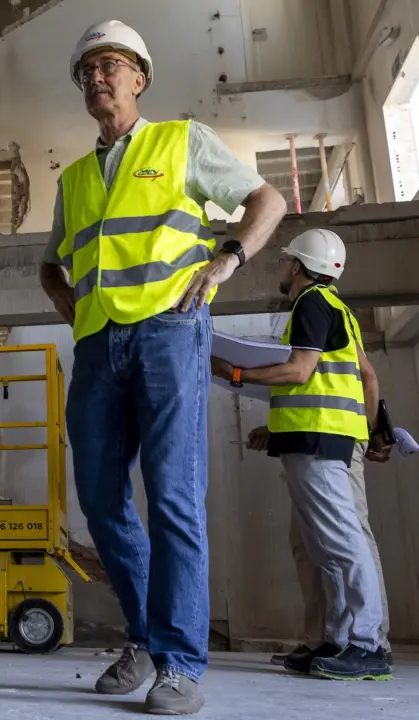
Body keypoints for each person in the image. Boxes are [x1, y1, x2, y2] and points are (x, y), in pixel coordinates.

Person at [41, 20, 286, 715]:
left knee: (173, 495)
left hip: (169, 332)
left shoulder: (181, 141)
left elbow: (267, 201)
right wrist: (71, 306)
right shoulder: (74, 178)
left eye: (110, 65)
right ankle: (147, 639)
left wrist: (227, 259)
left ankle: (178, 663)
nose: (97, 78)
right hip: (98, 345)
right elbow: (50, 264)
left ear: (139, 77)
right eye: (87, 70)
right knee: (100, 499)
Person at [211, 228, 393, 681]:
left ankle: (367, 646)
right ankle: (336, 640)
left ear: (297, 266)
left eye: (285, 261)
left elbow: (299, 371)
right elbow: (362, 376)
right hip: (318, 438)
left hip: (319, 440)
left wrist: (236, 373)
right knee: (323, 546)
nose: (282, 268)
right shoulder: (336, 308)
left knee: (341, 543)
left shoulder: (310, 303)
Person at [250, 427, 396, 670]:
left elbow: (358, 402)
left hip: (330, 437)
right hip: (304, 437)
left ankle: (370, 643)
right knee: (317, 547)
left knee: (348, 539)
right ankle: (331, 641)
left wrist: (374, 431)